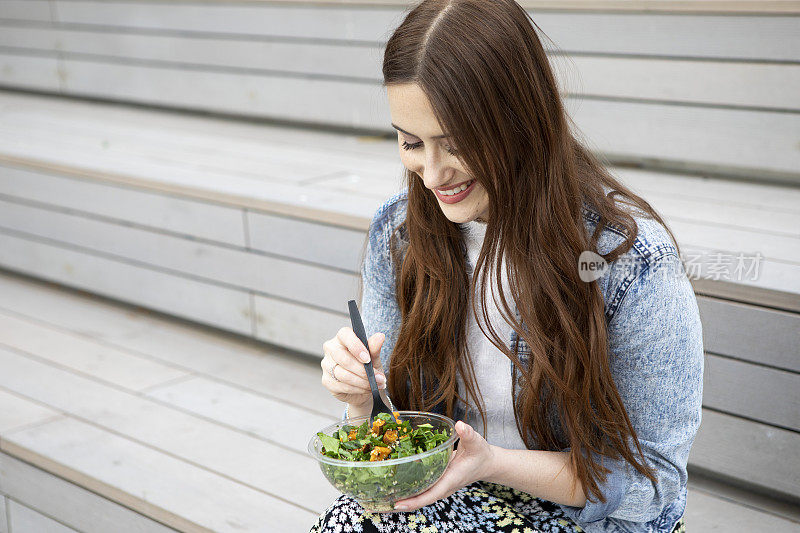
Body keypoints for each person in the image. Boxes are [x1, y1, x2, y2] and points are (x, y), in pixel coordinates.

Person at [312, 1, 702, 531]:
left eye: (456, 145)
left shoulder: (630, 263)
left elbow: (651, 487)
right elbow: (396, 438)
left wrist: (490, 463)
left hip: (585, 518)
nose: (431, 174)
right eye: (410, 142)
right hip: (448, 493)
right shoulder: (401, 234)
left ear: (519, 121)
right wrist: (363, 403)